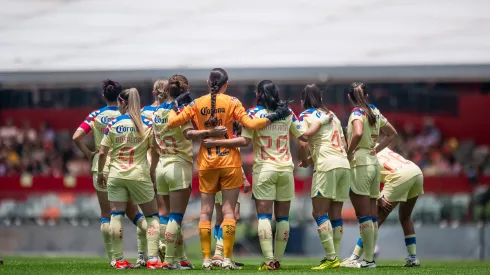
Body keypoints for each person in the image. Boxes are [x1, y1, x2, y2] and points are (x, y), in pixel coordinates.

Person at [165, 68, 291, 270]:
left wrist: (174, 104)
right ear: (226, 84)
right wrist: (275, 116)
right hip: (230, 162)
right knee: (229, 211)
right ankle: (226, 259)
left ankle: (206, 259)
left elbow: (173, 123)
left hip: (206, 162)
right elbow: (250, 124)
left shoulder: (196, 103)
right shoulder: (233, 102)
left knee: (205, 212)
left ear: (208, 82)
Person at [202, 80, 329, 270]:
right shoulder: (287, 113)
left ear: (258, 94)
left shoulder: (253, 114)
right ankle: (278, 259)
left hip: (264, 170)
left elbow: (244, 141)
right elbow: (303, 138)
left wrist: (218, 143)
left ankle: (269, 260)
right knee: (283, 218)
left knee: (263, 217)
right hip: (286, 169)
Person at [150, 74, 225, 269]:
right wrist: (210, 132)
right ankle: (168, 261)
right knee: (176, 215)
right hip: (178, 164)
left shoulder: (157, 111)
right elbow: (188, 133)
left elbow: (152, 142)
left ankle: (175, 258)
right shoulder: (180, 111)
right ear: (185, 90)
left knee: (165, 215)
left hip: (162, 165)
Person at [72, 80, 148, 268]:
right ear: (122, 96)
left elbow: (76, 137)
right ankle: (155, 245)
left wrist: (89, 153)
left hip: (103, 165)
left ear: (103, 95)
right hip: (128, 164)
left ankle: (114, 257)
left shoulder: (96, 115)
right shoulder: (131, 115)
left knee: (108, 214)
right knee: (134, 212)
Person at [97, 88, 162, 269]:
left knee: (116, 215)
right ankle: (153, 260)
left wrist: (101, 172)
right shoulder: (147, 124)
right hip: (139, 174)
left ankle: (119, 260)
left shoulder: (113, 123)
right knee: (152, 216)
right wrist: (153, 171)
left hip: (116, 174)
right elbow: (155, 151)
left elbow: (102, 153)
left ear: (123, 103)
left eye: (118, 103)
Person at [343, 82, 397, 268]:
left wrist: (348, 153)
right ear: (366, 96)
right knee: (373, 215)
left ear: (350, 98)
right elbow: (392, 134)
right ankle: (369, 259)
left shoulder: (356, 113)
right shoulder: (374, 110)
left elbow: (357, 133)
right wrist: (376, 149)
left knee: (364, 216)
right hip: (373, 163)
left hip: (360, 164)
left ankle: (368, 260)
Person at [341, 146, 423, 267]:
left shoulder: (358, 155)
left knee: (375, 218)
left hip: (399, 175)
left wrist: (379, 197)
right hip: (416, 171)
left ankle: (354, 257)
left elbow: (370, 178)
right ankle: (413, 258)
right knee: (405, 217)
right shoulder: (374, 143)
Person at [297, 84, 350, 269]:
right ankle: (334, 257)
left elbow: (303, 142)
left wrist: (304, 160)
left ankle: (331, 257)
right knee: (335, 213)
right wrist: (310, 160)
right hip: (343, 163)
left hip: (327, 166)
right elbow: (343, 142)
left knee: (318, 212)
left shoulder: (305, 116)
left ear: (304, 100)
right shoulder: (332, 115)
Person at [211, 121, 250, 268]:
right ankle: (220, 253)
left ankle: (221, 255)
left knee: (221, 217)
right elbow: (236, 163)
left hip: (216, 180)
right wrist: (244, 179)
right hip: (230, 180)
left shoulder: (219, 138)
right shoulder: (234, 139)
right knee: (233, 216)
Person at [141, 79, 169, 250]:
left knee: (147, 212)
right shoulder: (171, 112)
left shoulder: (142, 112)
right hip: (165, 160)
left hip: (145, 161)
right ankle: (166, 248)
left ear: (153, 93)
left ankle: (144, 254)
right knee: (165, 209)